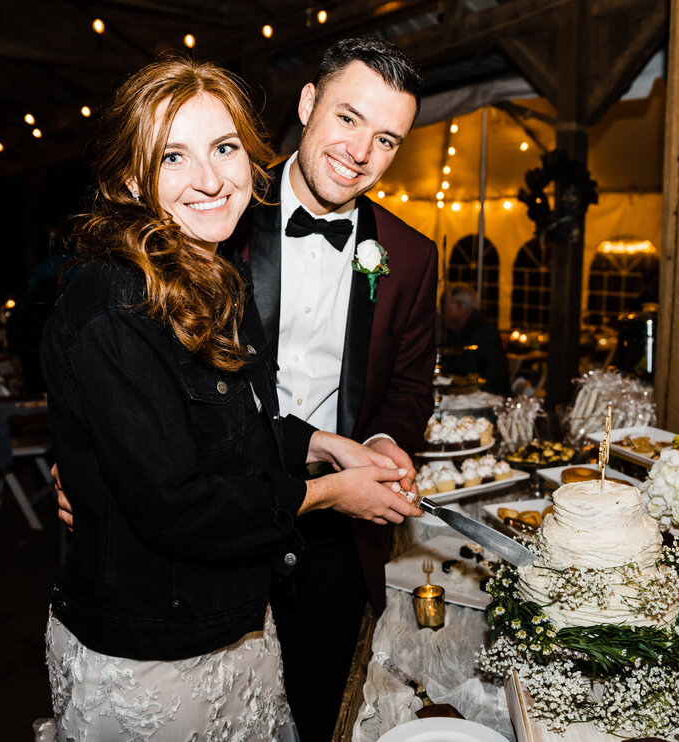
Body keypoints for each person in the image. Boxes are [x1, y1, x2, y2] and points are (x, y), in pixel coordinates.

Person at [39, 56, 421, 740]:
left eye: (222, 149)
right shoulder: (162, 267)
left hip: (251, 607)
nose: (211, 178)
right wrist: (86, 460)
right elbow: (169, 489)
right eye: (173, 157)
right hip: (160, 623)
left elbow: (233, 415)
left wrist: (321, 444)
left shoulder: (207, 270)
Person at [236, 36, 438, 740]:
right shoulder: (219, 215)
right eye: (348, 119)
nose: (360, 152)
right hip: (220, 509)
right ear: (307, 103)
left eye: (386, 138)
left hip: (332, 532)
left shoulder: (410, 257)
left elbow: (411, 384)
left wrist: (384, 441)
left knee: (315, 713)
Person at [442, 283, 510, 394]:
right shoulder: (449, 332)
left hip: (484, 398)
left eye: (445, 305)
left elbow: (494, 376)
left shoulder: (484, 332)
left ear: (460, 307)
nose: (442, 310)